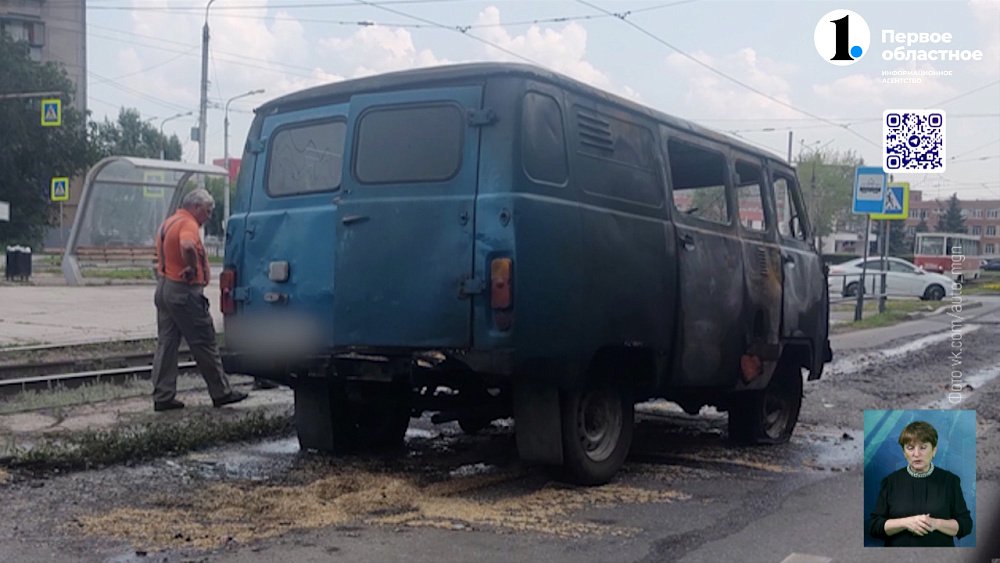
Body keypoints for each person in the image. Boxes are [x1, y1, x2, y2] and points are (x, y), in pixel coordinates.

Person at [151, 189, 247, 412]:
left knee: (166, 343)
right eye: (208, 211)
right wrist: (192, 267)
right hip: (184, 292)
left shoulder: (170, 222)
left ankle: (163, 395)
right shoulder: (188, 224)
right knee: (204, 342)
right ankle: (221, 392)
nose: (209, 216)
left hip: (165, 288)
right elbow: (187, 246)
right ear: (196, 207)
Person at [868, 420, 973, 547]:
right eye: (910, 448)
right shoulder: (890, 482)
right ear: (904, 452)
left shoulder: (950, 481)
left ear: (934, 450)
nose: (916, 454)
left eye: (923, 447)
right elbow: (874, 526)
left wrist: (935, 523)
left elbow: (966, 524)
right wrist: (905, 523)